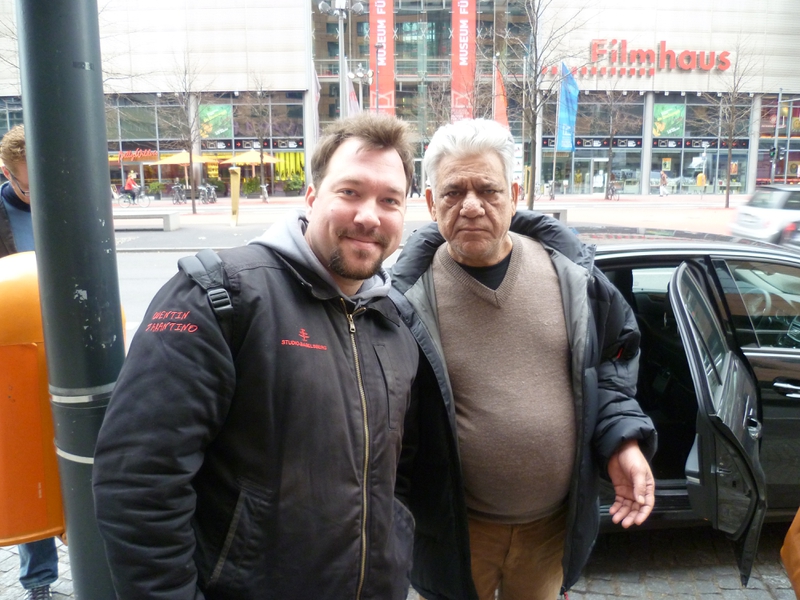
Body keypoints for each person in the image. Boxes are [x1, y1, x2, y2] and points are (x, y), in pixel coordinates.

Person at [92, 112, 420, 599]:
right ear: (313, 198)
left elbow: (396, 472)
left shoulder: (393, 320)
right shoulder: (218, 295)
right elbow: (139, 482)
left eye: (389, 200)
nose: (369, 215)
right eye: (350, 191)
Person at [389, 119, 657, 600]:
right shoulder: (404, 300)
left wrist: (623, 442)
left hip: (550, 531)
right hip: (454, 534)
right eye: (453, 193)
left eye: (488, 190)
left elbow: (614, 363)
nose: (471, 205)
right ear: (431, 204)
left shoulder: (575, 279)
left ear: (514, 194)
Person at [1, 125, 60, 600]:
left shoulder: (69, 202)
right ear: (8, 175)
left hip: (70, 356)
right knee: (33, 471)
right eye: (26, 186)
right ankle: (38, 581)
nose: (37, 195)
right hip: (21, 361)